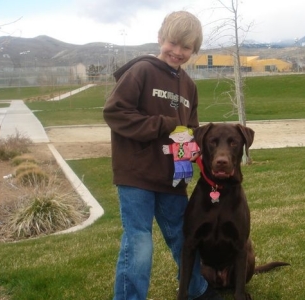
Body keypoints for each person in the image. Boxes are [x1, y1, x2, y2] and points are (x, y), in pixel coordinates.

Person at [103, 11, 223, 300]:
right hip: (137, 175)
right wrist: (164, 124)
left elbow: (191, 128)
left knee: (184, 237)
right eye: (173, 43)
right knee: (139, 242)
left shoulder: (189, 86)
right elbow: (115, 113)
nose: (178, 52)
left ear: (195, 51)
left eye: (187, 48)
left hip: (172, 177)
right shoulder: (141, 71)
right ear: (160, 39)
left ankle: (196, 290)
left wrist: (193, 144)